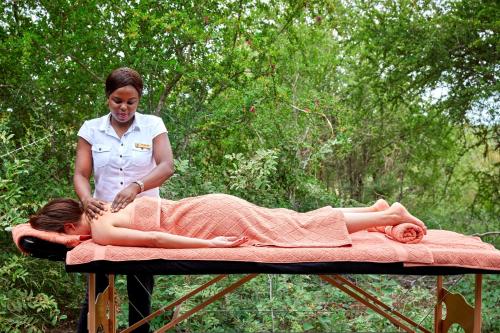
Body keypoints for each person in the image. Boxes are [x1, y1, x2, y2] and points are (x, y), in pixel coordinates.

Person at [73, 67, 174, 333]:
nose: (124, 108)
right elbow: (81, 174)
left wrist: (137, 186)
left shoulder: (152, 125)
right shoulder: (91, 129)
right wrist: (85, 199)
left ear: (139, 100)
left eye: (131, 102)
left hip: (143, 217)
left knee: (140, 293)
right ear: (108, 97)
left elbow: (166, 166)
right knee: (96, 291)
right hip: (103, 221)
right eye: (118, 100)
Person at [29, 195, 427, 248]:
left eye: (64, 237)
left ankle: (390, 215)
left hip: (204, 222)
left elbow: (154, 239)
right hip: (207, 205)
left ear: (68, 227)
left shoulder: (98, 229)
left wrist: (209, 246)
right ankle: (376, 213)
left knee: (294, 230)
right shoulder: (99, 208)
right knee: (291, 220)